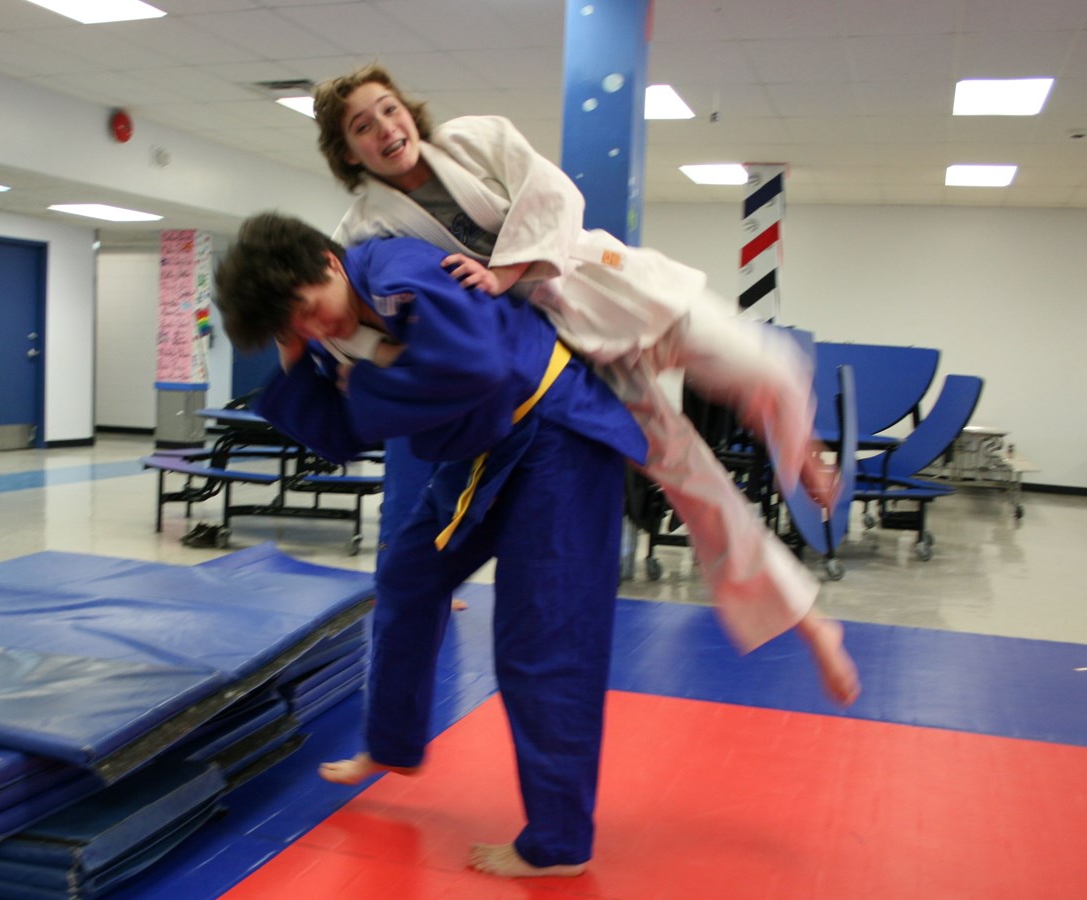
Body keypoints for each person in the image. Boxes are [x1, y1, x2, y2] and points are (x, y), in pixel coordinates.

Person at [312, 64, 858, 706]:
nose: (385, 128)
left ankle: (800, 448)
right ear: (349, 152)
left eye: (388, 109)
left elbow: (554, 194)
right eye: (363, 126)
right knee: (692, 480)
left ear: (408, 110)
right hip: (560, 354)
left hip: (608, 285)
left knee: (766, 363)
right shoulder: (364, 229)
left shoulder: (473, 140)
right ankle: (810, 622)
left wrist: (503, 272)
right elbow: (339, 315)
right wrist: (371, 358)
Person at [214, 212, 647, 878]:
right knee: (407, 577)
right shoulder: (333, 332)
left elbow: (478, 372)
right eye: (290, 326)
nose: (313, 327)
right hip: (485, 447)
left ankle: (559, 844)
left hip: (560, 433)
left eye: (307, 308)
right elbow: (342, 436)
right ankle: (393, 743)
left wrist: (372, 380)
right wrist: (298, 362)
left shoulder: (399, 271)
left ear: (329, 263)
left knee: (541, 637)